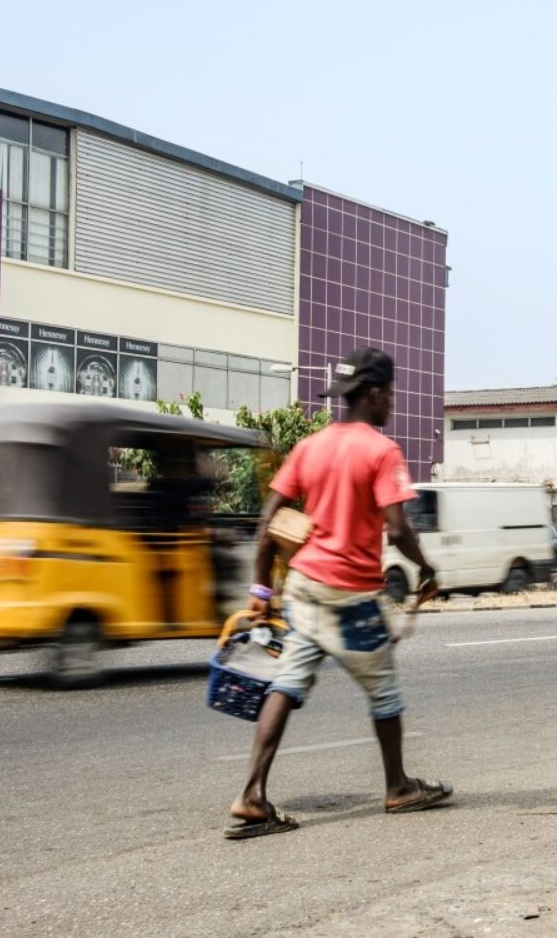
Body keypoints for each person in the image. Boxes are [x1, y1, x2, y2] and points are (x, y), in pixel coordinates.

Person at [225, 347, 448, 839]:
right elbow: (398, 529)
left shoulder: (311, 447)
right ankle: (398, 787)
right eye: (389, 393)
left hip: (303, 587)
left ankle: (252, 795)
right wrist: (427, 568)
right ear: (374, 394)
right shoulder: (380, 451)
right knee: (384, 691)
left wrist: (261, 589)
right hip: (350, 595)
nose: (392, 402)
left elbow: (268, 524)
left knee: (286, 684)